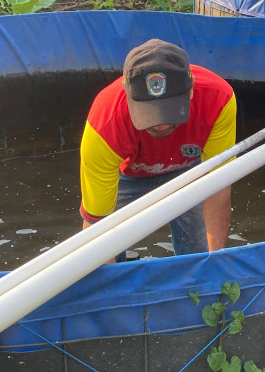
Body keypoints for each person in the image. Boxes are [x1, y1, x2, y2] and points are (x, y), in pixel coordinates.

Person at [80, 39, 236, 258]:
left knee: (200, 253)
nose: (161, 124)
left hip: (189, 170)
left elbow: (218, 184)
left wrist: (215, 262)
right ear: (127, 91)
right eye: (149, 114)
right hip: (128, 174)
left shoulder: (219, 99)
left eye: (171, 111)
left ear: (191, 90)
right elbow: (96, 226)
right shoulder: (104, 123)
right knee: (108, 240)